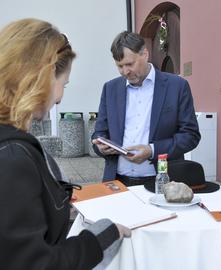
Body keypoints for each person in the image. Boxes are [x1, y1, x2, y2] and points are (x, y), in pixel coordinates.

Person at [0, 18, 131, 270]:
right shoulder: (12, 157)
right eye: (64, 84)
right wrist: (100, 237)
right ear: (42, 77)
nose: (59, 98)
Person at [92, 31, 200, 186]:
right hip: (117, 182)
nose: (125, 72)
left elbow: (190, 135)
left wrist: (153, 150)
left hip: (162, 182)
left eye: (129, 64)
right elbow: (99, 132)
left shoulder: (177, 86)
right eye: (119, 66)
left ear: (145, 54)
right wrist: (101, 147)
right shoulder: (110, 88)